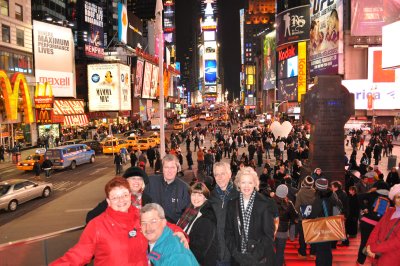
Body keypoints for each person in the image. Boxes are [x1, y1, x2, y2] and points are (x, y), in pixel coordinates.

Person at [51, 177, 149, 265]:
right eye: (115, 197)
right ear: (108, 201)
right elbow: (79, 254)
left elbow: (161, 233)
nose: (121, 200)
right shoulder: (97, 225)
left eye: (124, 195)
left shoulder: (142, 217)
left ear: (130, 196)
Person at [225, 167, 276, 266]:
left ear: (255, 184)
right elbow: (228, 232)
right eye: (243, 182)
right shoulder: (232, 204)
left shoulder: (265, 204)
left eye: (250, 182)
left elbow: (268, 236)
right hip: (238, 258)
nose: (246, 186)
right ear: (238, 184)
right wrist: (236, 253)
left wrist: (253, 257)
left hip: (259, 259)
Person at [86, 167, 152, 223]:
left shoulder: (147, 199)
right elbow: (91, 217)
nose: (136, 181)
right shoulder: (116, 198)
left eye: (139, 179)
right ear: (126, 181)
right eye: (133, 178)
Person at [177, 182, 218, 265]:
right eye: (193, 194)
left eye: (200, 195)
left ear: (205, 197)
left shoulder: (207, 217)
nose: (196, 198)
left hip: (197, 261)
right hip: (183, 254)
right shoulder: (189, 209)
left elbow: (199, 250)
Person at [208, 161, 239, 265]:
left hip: (235, 254)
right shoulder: (210, 197)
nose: (219, 177)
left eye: (223, 173)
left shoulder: (239, 195)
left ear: (229, 174)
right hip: (216, 253)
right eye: (217, 174)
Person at [144, 154, 190, 223]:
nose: (169, 171)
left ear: (177, 169)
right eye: (166, 167)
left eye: (172, 167)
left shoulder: (184, 188)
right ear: (162, 169)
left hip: (173, 229)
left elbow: (186, 215)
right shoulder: (150, 182)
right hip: (151, 226)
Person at [308, 178, 343, 266]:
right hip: (331, 224)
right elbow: (340, 205)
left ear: (317, 187)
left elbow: (313, 214)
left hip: (321, 226)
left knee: (320, 250)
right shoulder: (332, 194)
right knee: (328, 249)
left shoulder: (318, 198)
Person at [364, 184, 400, 266]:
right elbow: (376, 230)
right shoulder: (390, 211)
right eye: (398, 197)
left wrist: (374, 248)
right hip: (377, 255)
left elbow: (397, 242)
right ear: (394, 199)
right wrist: (369, 246)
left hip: (392, 257)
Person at [357, 181, 390, 265]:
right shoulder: (391, 197)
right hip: (380, 225)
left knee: (364, 243)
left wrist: (364, 208)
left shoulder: (372, 194)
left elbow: (359, 197)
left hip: (367, 222)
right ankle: (374, 262)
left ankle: (360, 262)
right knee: (377, 244)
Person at [274, 184, 298, 266]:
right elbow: (295, 216)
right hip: (283, 232)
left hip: (271, 230)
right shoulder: (289, 204)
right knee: (280, 253)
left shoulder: (270, 202)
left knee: (269, 251)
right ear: (286, 194)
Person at [295, 176, 316, 258]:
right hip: (312, 217)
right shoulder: (315, 191)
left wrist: (297, 216)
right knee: (313, 235)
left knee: (302, 236)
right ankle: (312, 253)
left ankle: (302, 253)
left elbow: (297, 206)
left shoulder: (300, 192)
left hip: (302, 217)